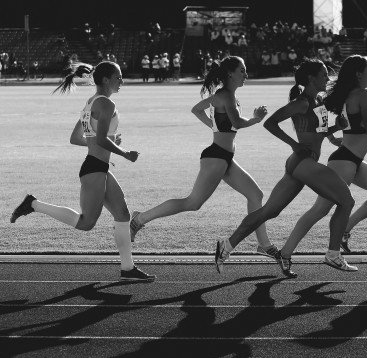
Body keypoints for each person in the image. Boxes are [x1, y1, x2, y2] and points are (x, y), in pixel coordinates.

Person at [10, 61, 154, 281]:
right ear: (106, 79)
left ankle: (128, 268)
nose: (122, 81)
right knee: (86, 223)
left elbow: (76, 138)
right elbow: (100, 139)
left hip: (99, 167)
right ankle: (33, 204)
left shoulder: (91, 102)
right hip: (95, 168)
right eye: (118, 77)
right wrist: (125, 153)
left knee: (123, 214)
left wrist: (107, 142)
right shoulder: (105, 103)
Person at [214, 59, 355, 277]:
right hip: (303, 162)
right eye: (324, 74)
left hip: (300, 164)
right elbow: (270, 123)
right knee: (346, 201)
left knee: (269, 211)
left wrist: (336, 128)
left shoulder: (318, 100)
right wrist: (294, 144)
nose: (327, 78)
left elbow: (318, 133)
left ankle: (227, 245)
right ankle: (333, 254)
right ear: (311, 78)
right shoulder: (302, 103)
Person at [129, 56, 278, 258]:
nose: (246, 75)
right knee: (192, 203)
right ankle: (139, 219)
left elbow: (197, 109)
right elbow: (237, 122)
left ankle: (264, 244)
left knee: (255, 195)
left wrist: (214, 126)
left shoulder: (225, 95)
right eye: (242, 71)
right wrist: (256, 119)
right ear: (230, 74)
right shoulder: (226, 96)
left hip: (225, 157)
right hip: (216, 157)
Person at [279, 55, 367, 261]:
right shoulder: (364, 95)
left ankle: (345, 229)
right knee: (319, 209)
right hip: (345, 161)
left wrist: (332, 137)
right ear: (358, 74)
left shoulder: (348, 94)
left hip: (351, 160)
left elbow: (338, 124)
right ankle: (286, 253)